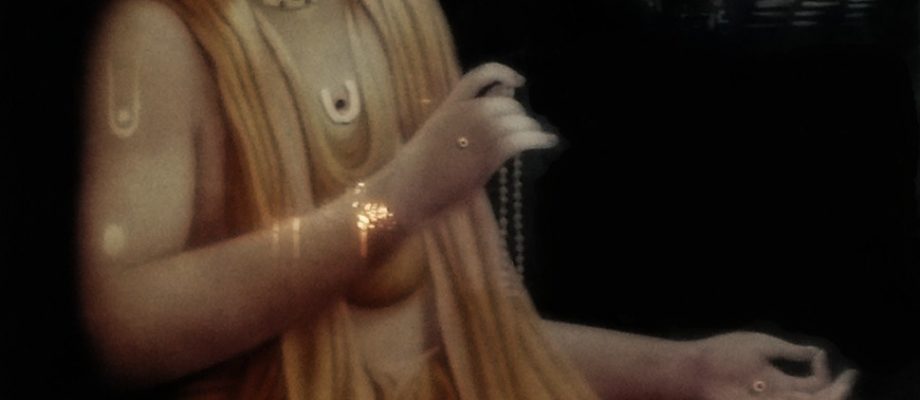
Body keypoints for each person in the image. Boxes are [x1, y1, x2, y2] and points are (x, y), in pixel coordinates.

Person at [77, 0, 858, 398]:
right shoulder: (160, 37)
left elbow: (472, 337)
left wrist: (684, 372)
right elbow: (124, 331)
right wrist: (394, 203)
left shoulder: (397, 17)